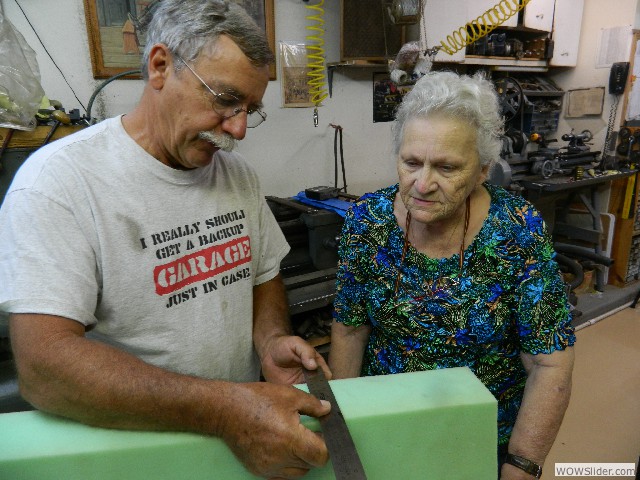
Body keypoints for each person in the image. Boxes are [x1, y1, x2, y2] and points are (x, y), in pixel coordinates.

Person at [0, 1, 332, 478]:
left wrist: (271, 340)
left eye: (249, 110)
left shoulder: (236, 176)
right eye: (224, 99)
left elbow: (262, 276)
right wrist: (227, 410)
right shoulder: (59, 183)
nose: (238, 129)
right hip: (133, 457)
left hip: (238, 442)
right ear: (160, 67)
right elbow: (43, 367)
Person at [329, 70, 575, 479]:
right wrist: (343, 433)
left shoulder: (517, 230)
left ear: (481, 170)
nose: (422, 184)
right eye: (411, 162)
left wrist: (521, 465)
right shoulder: (366, 222)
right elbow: (350, 330)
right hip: (385, 428)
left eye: (446, 167)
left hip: (479, 441)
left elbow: (549, 364)